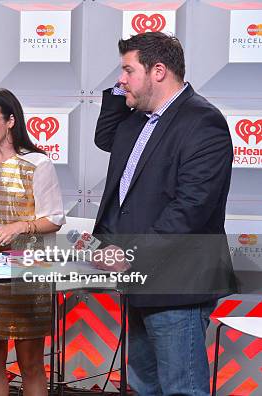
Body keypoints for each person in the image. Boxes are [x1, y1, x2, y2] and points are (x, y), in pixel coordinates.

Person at [91, 32, 236, 395]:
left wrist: (129, 253)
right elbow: (103, 138)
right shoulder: (136, 122)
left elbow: (190, 210)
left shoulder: (202, 121)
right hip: (140, 281)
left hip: (178, 283)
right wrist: (121, 90)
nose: (120, 80)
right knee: (143, 385)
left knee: (180, 389)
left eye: (127, 70)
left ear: (158, 70)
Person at [0, 88, 65, 396]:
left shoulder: (37, 163)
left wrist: (19, 226)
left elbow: (55, 219)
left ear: (11, 121)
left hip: (29, 275)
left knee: (31, 365)